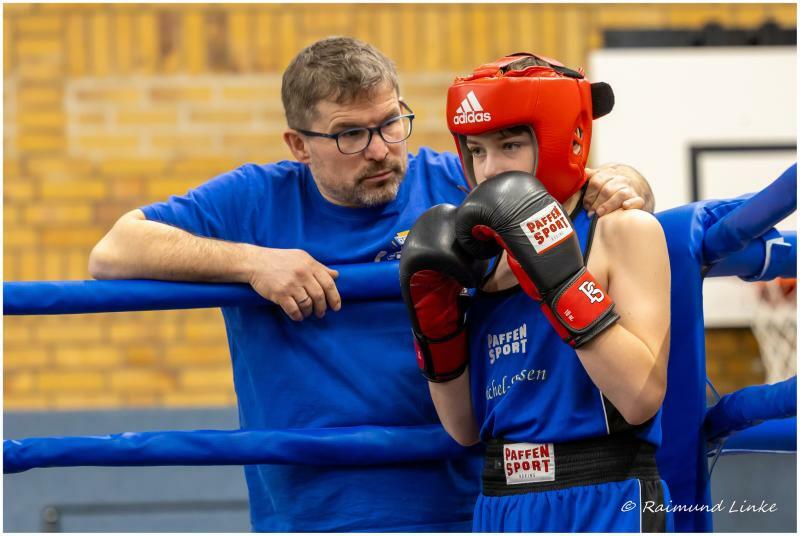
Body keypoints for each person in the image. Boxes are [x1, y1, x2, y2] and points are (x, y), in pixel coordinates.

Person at [89, 38, 657, 532]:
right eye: (350, 135)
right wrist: (251, 263)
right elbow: (114, 251)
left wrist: (623, 182)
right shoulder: (255, 200)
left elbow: (567, 203)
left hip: (466, 498)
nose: (382, 149)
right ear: (297, 144)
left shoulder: (453, 182)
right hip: (313, 509)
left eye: (390, 123)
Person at [400, 53, 673, 532]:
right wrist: (435, 328)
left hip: (607, 496)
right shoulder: (479, 258)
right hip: (501, 502)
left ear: (563, 140)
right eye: (476, 150)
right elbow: (464, 429)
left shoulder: (620, 231)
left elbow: (641, 397)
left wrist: (560, 279)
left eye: (509, 145)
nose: (487, 170)